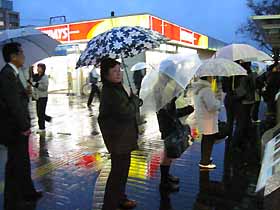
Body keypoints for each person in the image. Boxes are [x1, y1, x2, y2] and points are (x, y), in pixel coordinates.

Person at [0, 42, 43, 210]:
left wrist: (25, 93)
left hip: (16, 126)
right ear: (13, 56)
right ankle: (13, 200)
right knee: (16, 164)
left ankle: (27, 192)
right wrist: (25, 126)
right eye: (21, 53)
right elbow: (13, 104)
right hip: (14, 128)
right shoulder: (7, 74)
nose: (24, 56)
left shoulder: (14, 73)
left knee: (21, 161)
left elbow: (16, 99)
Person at [98, 58, 140, 210]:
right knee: (117, 173)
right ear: (106, 74)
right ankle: (109, 205)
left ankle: (121, 198)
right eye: (114, 71)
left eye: (119, 70)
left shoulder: (117, 87)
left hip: (124, 137)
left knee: (123, 171)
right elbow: (126, 112)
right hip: (117, 139)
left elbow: (129, 107)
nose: (118, 73)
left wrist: (132, 97)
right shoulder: (110, 91)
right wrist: (134, 99)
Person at [157, 97, 194, 191]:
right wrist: (188, 109)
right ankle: (164, 182)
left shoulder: (165, 96)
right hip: (168, 129)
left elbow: (172, 112)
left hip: (168, 127)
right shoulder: (163, 97)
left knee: (168, 155)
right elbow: (171, 114)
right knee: (168, 155)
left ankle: (166, 176)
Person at [193, 76, 221, 169]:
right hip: (208, 119)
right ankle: (205, 162)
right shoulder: (206, 90)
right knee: (209, 139)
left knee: (206, 139)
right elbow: (212, 106)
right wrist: (218, 102)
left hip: (203, 118)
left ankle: (206, 157)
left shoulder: (198, 88)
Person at [232, 62, 256, 151]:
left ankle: (239, 142)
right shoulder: (250, 75)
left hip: (242, 101)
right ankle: (240, 142)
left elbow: (241, 90)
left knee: (242, 122)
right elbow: (254, 86)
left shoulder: (240, 75)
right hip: (249, 100)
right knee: (244, 121)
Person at [29, 63, 52, 133]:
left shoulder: (45, 77)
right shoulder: (35, 76)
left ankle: (42, 128)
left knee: (40, 113)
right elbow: (30, 81)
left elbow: (44, 88)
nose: (38, 69)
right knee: (39, 113)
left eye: (40, 67)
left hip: (43, 97)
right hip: (37, 97)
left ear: (43, 69)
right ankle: (48, 118)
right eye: (38, 67)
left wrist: (35, 84)